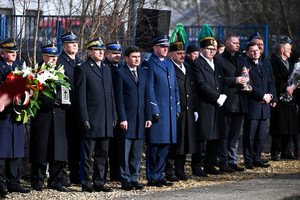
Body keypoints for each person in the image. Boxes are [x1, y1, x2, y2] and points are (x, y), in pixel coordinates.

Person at [74, 38, 117, 192]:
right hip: (91, 119)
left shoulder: (106, 69)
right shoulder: (83, 69)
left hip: (105, 118)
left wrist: (114, 115)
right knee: (87, 154)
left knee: (102, 154)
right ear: (89, 52)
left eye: (102, 50)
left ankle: (99, 182)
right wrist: (84, 118)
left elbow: (111, 95)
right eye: (97, 50)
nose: (101, 52)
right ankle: (86, 183)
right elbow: (80, 97)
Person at [141, 33, 180, 187]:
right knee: (155, 145)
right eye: (162, 47)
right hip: (158, 111)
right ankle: (152, 176)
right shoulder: (149, 63)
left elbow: (174, 87)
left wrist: (177, 106)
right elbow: (149, 88)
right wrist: (153, 108)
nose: (165, 49)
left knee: (165, 145)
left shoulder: (169, 64)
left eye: (166, 47)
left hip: (169, 112)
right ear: (155, 48)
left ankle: (159, 174)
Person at [30, 44, 69, 192]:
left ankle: (56, 181)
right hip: (43, 115)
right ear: (43, 56)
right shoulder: (36, 72)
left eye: (55, 56)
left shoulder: (60, 71)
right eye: (51, 56)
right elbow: (33, 93)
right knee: (40, 148)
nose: (54, 59)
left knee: (57, 149)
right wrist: (50, 101)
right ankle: (37, 181)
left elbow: (67, 88)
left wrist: (66, 101)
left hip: (58, 115)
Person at [190, 24, 228, 175]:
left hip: (218, 105)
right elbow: (201, 84)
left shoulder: (217, 65)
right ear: (202, 50)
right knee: (202, 137)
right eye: (209, 49)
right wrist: (216, 96)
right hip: (204, 104)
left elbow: (224, 82)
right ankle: (197, 166)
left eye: (214, 49)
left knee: (215, 137)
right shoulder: (197, 64)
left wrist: (224, 95)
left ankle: (210, 165)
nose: (212, 51)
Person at [113, 46, 152, 190]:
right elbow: (119, 99)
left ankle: (135, 178)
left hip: (140, 119)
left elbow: (147, 97)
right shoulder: (120, 73)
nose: (137, 59)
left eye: (138, 57)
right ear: (127, 58)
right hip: (127, 119)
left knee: (136, 152)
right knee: (124, 151)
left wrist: (148, 116)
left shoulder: (143, 73)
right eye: (134, 57)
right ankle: (125, 179)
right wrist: (122, 118)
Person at [0, 38, 30, 198]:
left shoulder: (19, 65)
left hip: (17, 113)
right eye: (10, 52)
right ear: (2, 53)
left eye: (15, 52)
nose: (14, 55)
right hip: (3, 114)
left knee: (16, 148)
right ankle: (0, 185)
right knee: (2, 150)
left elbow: (28, 83)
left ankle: (14, 182)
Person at [165, 41, 198, 181]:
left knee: (184, 142)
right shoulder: (169, 67)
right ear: (171, 54)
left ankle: (180, 169)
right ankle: (170, 171)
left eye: (183, 53)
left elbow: (193, 89)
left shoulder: (187, 68)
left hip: (188, 110)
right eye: (179, 53)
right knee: (175, 142)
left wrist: (195, 108)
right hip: (176, 111)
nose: (182, 56)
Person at [217, 33, 248, 173]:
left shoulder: (242, 59)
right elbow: (219, 79)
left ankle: (233, 160)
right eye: (234, 43)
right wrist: (234, 80)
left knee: (235, 136)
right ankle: (223, 161)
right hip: (228, 102)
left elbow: (246, 75)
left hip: (241, 101)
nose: (238, 45)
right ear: (227, 44)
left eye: (238, 42)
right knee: (225, 135)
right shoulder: (219, 59)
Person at [243, 42, 274, 169]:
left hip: (264, 105)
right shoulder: (246, 66)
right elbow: (249, 86)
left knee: (261, 135)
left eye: (257, 50)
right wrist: (262, 96)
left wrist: (271, 96)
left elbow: (271, 82)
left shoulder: (264, 65)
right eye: (252, 51)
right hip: (253, 104)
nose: (255, 52)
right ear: (248, 53)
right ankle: (249, 160)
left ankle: (257, 158)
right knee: (250, 135)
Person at [57, 31, 82, 185]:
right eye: (71, 43)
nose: (75, 45)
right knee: (63, 144)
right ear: (64, 46)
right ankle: (61, 175)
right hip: (66, 109)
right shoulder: (60, 61)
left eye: (76, 43)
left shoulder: (79, 61)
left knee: (76, 144)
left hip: (78, 109)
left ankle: (75, 174)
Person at [269, 38, 299, 160]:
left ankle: (286, 151)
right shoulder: (274, 62)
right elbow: (273, 80)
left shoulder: (290, 62)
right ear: (282, 50)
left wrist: (296, 83)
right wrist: (285, 87)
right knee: (278, 124)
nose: (290, 52)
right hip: (279, 97)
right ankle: (275, 151)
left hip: (290, 97)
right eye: (289, 50)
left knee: (289, 124)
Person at [103, 41, 122, 182]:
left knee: (117, 146)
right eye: (114, 53)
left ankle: (116, 174)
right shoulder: (104, 67)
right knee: (105, 148)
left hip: (119, 111)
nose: (117, 56)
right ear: (107, 53)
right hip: (106, 111)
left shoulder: (121, 67)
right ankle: (102, 175)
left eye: (119, 53)